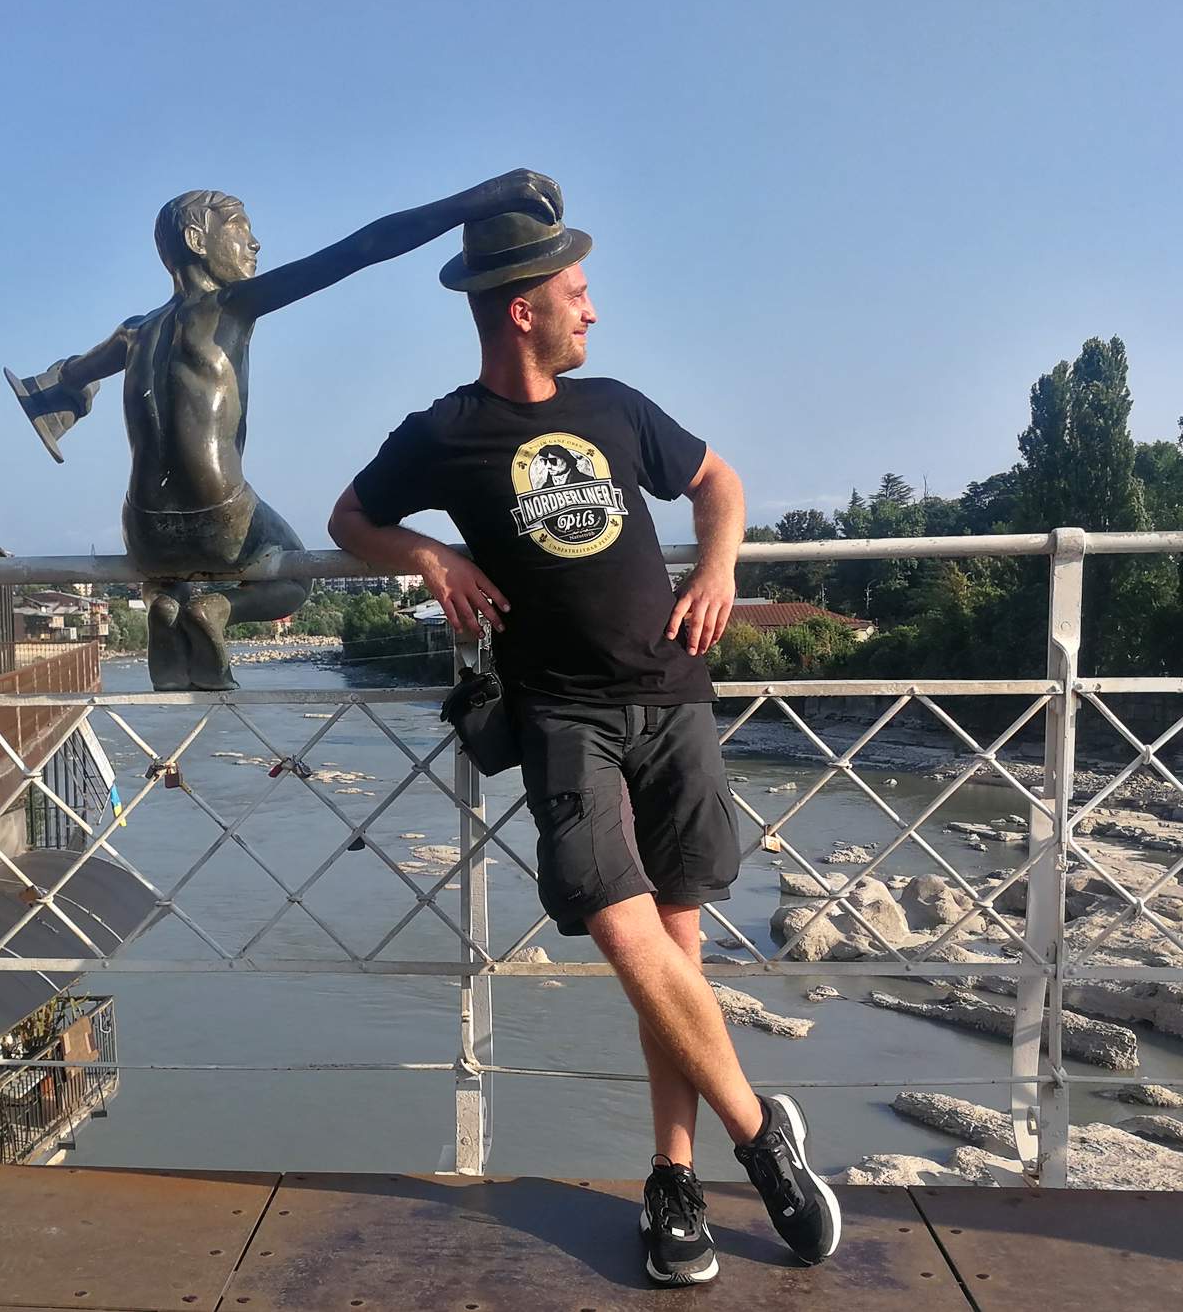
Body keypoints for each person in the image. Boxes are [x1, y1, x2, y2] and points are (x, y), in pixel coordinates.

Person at [328, 195, 842, 1285]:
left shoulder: (617, 407)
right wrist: (428, 556)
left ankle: (674, 1181)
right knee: (622, 934)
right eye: (576, 295)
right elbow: (349, 519)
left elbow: (718, 481)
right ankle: (763, 1138)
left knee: (675, 956)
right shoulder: (443, 433)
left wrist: (717, 567)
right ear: (522, 311)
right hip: (561, 716)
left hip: (674, 694)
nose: (593, 311)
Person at [7, 171, 563, 690]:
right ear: (198, 240)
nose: (255, 244)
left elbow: (69, 376)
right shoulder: (229, 307)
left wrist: (66, 395)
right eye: (240, 229)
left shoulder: (133, 332)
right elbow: (361, 249)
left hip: (143, 527)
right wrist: (480, 200)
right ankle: (216, 608)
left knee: (169, 569)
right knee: (297, 576)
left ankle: (165, 599)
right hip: (217, 513)